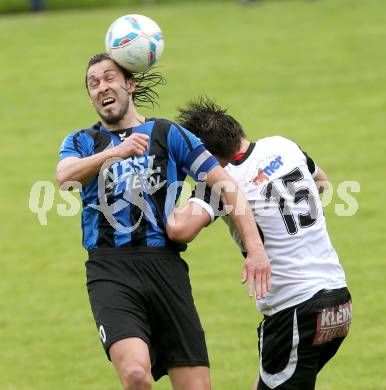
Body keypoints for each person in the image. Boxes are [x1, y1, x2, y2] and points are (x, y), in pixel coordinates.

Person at [56, 54, 270, 390]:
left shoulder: (169, 134)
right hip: (109, 270)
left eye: (109, 78)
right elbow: (64, 177)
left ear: (130, 84)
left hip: (165, 269)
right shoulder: (82, 142)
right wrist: (113, 153)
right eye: (93, 83)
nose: (101, 87)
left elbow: (227, 186)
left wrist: (255, 249)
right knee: (136, 376)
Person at [166, 97, 352, 390]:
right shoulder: (283, 146)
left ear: (208, 157)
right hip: (338, 302)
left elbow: (180, 229)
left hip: (295, 311)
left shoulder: (222, 180)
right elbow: (323, 183)